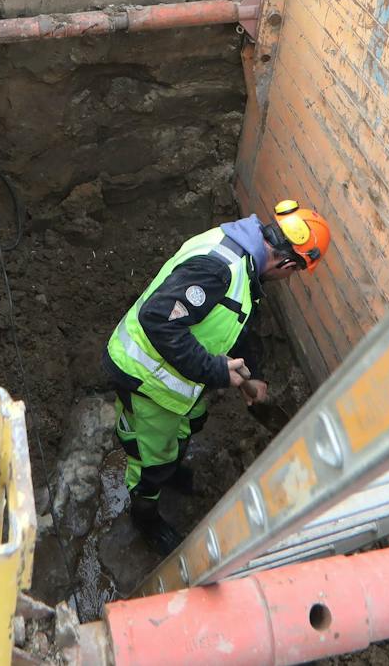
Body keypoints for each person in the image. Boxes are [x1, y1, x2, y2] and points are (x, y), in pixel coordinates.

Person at [103, 200, 332, 554]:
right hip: (145, 374)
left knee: (191, 422)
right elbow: (157, 320)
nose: (290, 279)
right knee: (152, 457)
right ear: (288, 263)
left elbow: (234, 319)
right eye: (295, 273)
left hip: (180, 376)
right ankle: (144, 513)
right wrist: (216, 371)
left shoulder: (246, 254)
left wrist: (252, 374)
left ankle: (173, 471)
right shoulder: (218, 268)